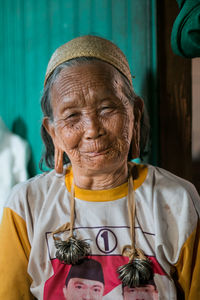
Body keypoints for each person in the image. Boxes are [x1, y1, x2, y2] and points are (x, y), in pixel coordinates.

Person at [0, 35, 200, 300]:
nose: (93, 130)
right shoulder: (26, 206)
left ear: (135, 115)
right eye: (72, 116)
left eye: (107, 109)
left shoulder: (178, 200)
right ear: (53, 133)